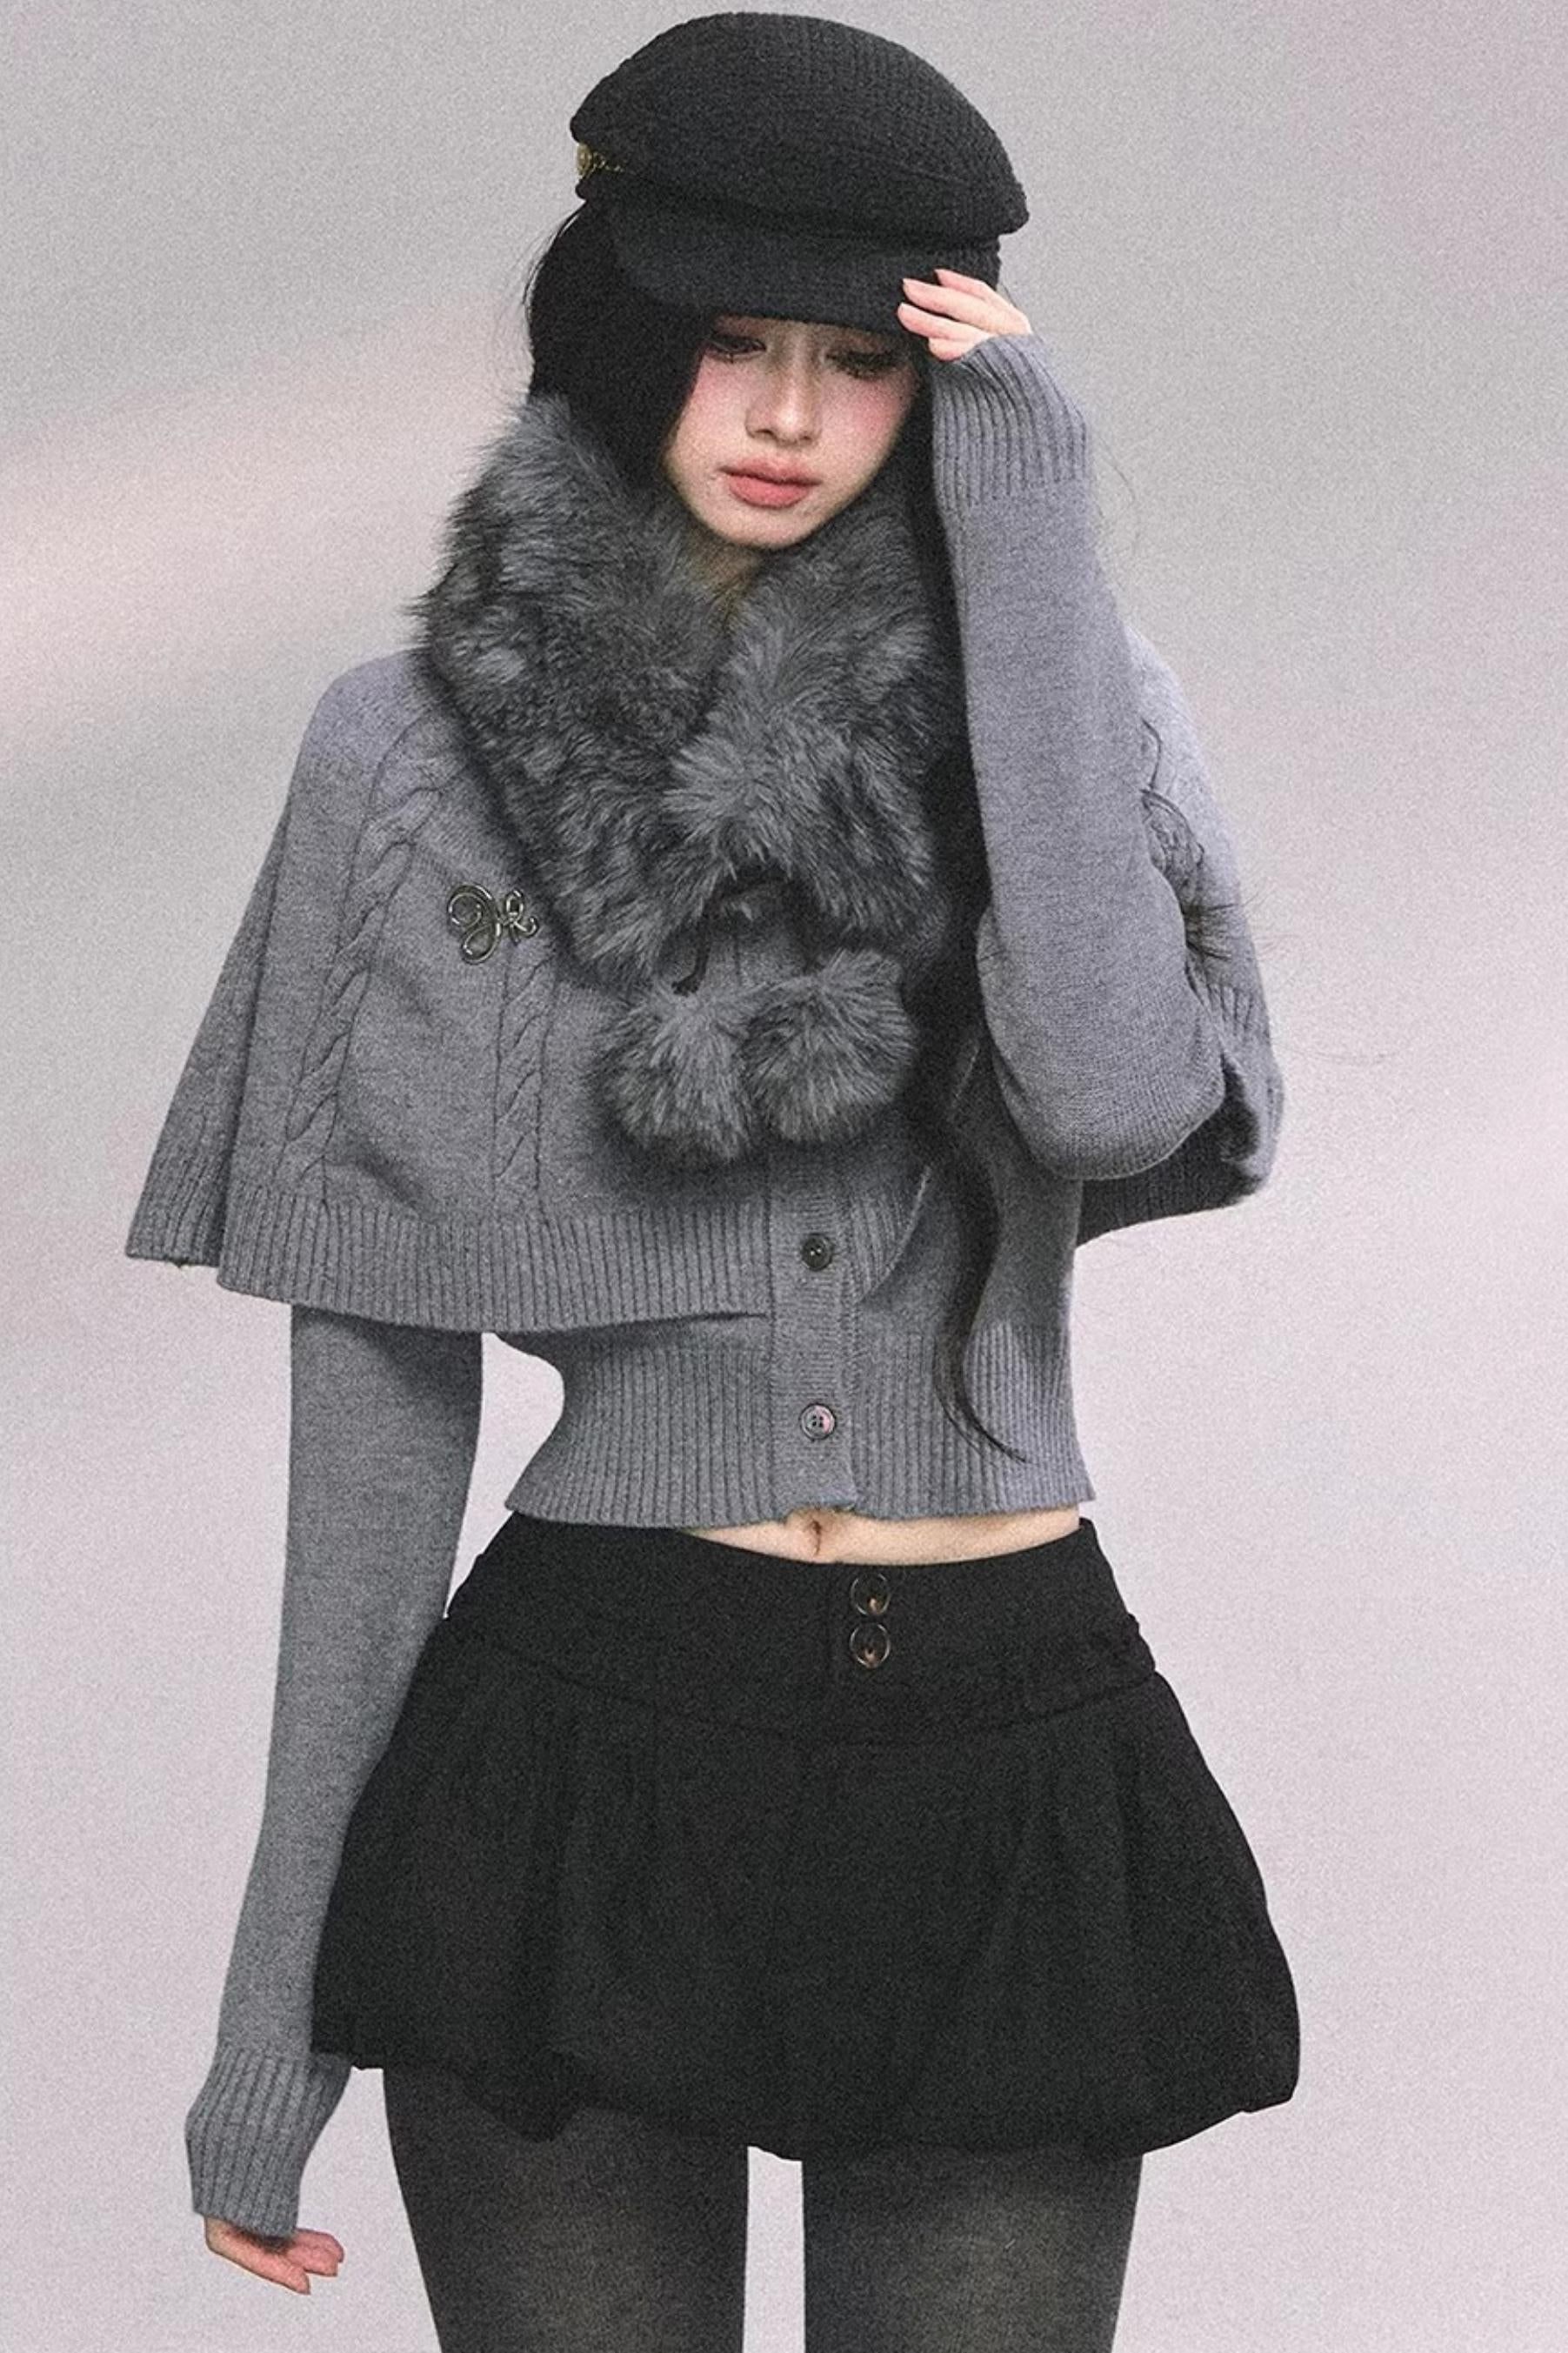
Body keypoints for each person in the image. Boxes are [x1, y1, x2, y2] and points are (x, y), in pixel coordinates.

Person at [124, 14, 1300, 2349]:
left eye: (860, 362)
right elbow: (375, 1424)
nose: (786, 415)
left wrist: (1033, 537)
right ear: (622, 330)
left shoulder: (1076, 703)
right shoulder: (402, 756)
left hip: (1002, 1746)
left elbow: (1096, 1096)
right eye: (732, 342)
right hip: (582, 1747)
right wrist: (274, 2033)